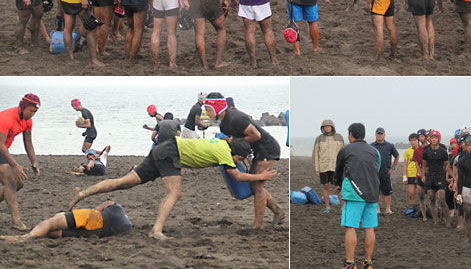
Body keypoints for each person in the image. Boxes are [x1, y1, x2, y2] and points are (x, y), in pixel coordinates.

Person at [67, 135, 274, 240]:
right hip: (171, 154)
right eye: (240, 157)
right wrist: (261, 175)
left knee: (123, 182)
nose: (239, 161)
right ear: (235, 153)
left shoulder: (220, 144)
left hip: (163, 150)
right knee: (175, 193)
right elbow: (236, 175)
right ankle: (156, 230)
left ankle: (83, 193)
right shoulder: (224, 152)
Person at [204, 94, 285, 229]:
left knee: (257, 187)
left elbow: (256, 135)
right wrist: (244, 153)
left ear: (217, 107)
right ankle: (278, 212)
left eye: (208, 109)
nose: (206, 113)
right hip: (256, 150)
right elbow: (240, 143)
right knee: (255, 185)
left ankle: (257, 225)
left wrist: (235, 143)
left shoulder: (236, 118)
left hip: (268, 149)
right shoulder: (223, 125)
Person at [335, 123, 380, 269]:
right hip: (372, 193)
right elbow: (376, 169)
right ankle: (368, 262)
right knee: (369, 228)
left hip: (354, 194)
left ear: (350, 134)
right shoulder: (374, 151)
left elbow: (339, 171)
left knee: (350, 227)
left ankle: (350, 263)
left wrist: (338, 185)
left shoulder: (346, 150)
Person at [0, 94, 41, 231]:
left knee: (19, 182)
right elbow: (0, 144)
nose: (32, 114)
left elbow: (28, 142)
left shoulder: (27, 121)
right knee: (10, 180)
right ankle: (16, 221)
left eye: (35, 112)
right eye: (31, 111)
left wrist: (33, 162)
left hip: (2, 151)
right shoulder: (6, 118)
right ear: (23, 107)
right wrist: (14, 165)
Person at [0, 201, 131, 243]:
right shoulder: (127, 225)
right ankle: (39, 233)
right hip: (100, 232)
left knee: (52, 222)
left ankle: (26, 237)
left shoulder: (115, 205)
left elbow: (97, 209)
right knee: (57, 233)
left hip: (96, 219)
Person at [419, 131, 450, 227]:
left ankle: (447, 221)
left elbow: (446, 165)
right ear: (430, 139)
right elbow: (424, 165)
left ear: (438, 139)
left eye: (435, 137)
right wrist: (423, 175)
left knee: (441, 199)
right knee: (432, 198)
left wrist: (446, 175)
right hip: (429, 176)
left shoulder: (443, 151)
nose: (433, 139)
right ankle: (436, 220)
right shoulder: (426, 151)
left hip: (440, 175)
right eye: (432, 137)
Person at [312, 119, 344, 213]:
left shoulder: (339, 137)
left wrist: (343, 167)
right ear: (322, 128)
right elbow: (315, 154)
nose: (327, 128)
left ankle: (343, 207)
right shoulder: (319, 138)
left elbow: (343, 153)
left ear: (332, 127)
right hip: (324, 167)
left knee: (339, 187)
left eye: (328, 126)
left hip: (336, 167)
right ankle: (327, 207)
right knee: (326, 187)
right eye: (325, 127)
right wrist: (317, 169)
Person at [371, 128, 399, 215]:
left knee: (387, 192)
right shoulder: (371, 146)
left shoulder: (390, 145)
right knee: (376, 192)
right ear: (375, 135)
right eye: (378, 134)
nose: (379, 135)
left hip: (386, 173)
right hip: (374, 173)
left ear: (384, 135)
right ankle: (377, 209)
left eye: (381, 134)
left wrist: (393, 168)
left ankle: (388, 209)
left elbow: (397, 156)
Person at [403, 133, 419, 213]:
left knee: (420, 194)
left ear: (418, 140)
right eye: (411, 140)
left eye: (415, 140)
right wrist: (404, 176)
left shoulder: (421, 150)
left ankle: (421, 209)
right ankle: (412, 209)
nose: (413, 142)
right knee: (411, 194)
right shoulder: (407, 151)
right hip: (411, 174)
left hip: (419, 174)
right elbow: (405, 163)